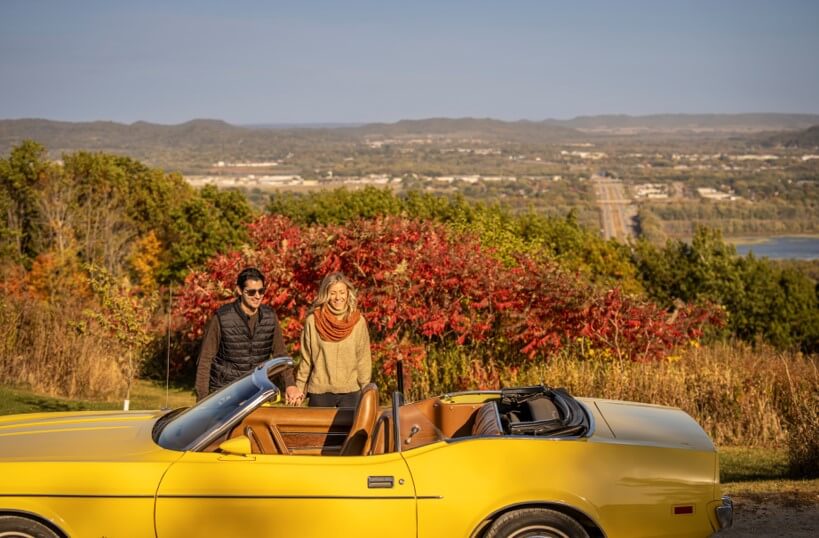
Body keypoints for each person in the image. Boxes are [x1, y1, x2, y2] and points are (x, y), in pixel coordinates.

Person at [195, 267, 304, 405]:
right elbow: (205, 360)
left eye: (261, 291)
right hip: (225, 392)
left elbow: (280, 355)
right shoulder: (222, 317)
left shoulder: (270, 317)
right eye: (251, 292)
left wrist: (290, 385)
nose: (257, 296)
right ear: (240, 291)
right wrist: (202, 402)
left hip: (257, 391)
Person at [296, 272, 372, 407]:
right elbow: (306, 359)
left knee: (352, 429)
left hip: (351, 393)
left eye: (342, 292)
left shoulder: (358, 322)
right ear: (325, 294)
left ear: (348, 293)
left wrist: (366, 388)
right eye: (333, 293)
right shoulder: (313, 321)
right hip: (320, 393)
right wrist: (299, 387)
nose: (338, 297)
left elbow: (363, 358)